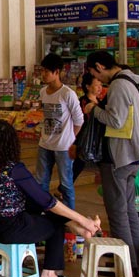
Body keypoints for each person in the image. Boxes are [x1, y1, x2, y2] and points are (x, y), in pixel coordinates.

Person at [0, 121, 101, 277]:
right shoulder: (14, 170)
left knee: (36, 203)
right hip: (9, 229)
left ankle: (75, 226)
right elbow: (48, 202)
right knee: (54, 222)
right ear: (12, 145)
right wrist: (82, 219)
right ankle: (49, 275)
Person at [84, 50, 139, 277]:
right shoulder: (136, 79)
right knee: (129, 211)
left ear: (99, 66)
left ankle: (123, 265)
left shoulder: (117, 85)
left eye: (94, 73)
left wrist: (94, 109)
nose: (98, 80)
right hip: (136, 155)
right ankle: (137, 263)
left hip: (119, 157)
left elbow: (115, 120)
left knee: (117, 214)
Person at [36, 54, 84, 209]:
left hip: (63, 148)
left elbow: (79, 120)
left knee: (66, 185)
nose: (43, 75)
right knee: (41, 182)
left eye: (46, 71)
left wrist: (70, 139)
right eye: (42, 71)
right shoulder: (43, 92)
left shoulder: (68, 94)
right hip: (44, 145)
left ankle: (70, 218)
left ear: (57, 72)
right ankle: (42, 213)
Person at [74, 72, 106, 182]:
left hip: (98, 138)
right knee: (79, 163)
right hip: (85, 137)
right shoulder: (83, 101)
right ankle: (62, 190)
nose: (100, 88)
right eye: (97, 85)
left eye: (101, 85)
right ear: (87, 86)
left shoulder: (100, 101)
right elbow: (83, 119)